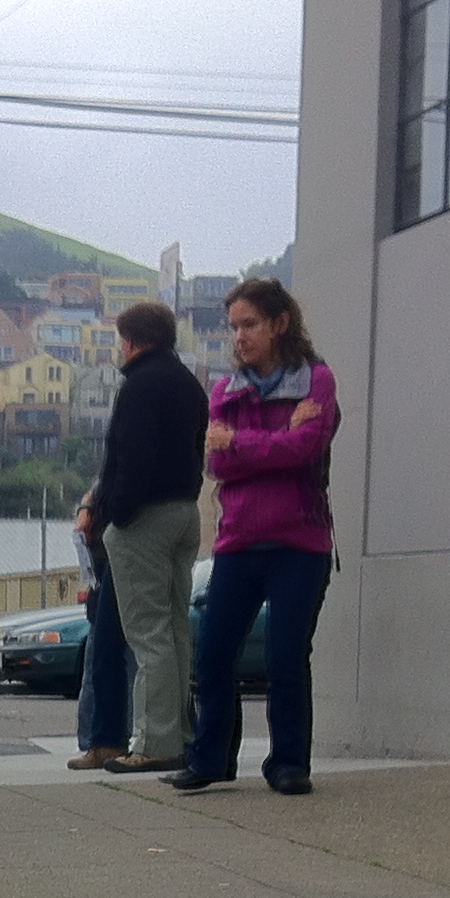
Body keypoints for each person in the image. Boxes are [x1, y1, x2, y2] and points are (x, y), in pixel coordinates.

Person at [164, 276, 340, 796]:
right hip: (238, 541)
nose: (238, 336)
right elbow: (219, 465)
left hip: (300, 544)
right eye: (233, 326)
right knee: (213, 653)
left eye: (250, 324)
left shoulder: (317, 381)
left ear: (279, 324)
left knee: (286, 656)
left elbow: (305, 451)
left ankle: (288, 764)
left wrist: (243, 442)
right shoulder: (224, 391)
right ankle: (210, 760)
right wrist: (275, 440)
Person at [75, 300, 208, 774]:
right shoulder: (191, 384)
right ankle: (175, 734)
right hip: (185, 512)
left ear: (131, 341)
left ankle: (153, 742)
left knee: (146, 635)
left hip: (143, 520)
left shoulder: (138, 387)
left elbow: (130, 459)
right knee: (172, 630)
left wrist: (114, 516)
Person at [66, 502, 131, 767]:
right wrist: (86, 505)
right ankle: (97, 740)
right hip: (104, 565)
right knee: (99, 662)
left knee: (113, 661)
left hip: (119, 554)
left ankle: (110, 740)